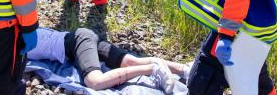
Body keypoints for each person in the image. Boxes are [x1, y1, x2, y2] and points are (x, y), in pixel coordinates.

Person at [27, 27, 188, 93]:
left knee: (95, 81)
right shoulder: (22, 29)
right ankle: (185, 70)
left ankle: (152, 69)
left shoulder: (13, 41)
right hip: (82, 36)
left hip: (77, 43)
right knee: (130, 61)